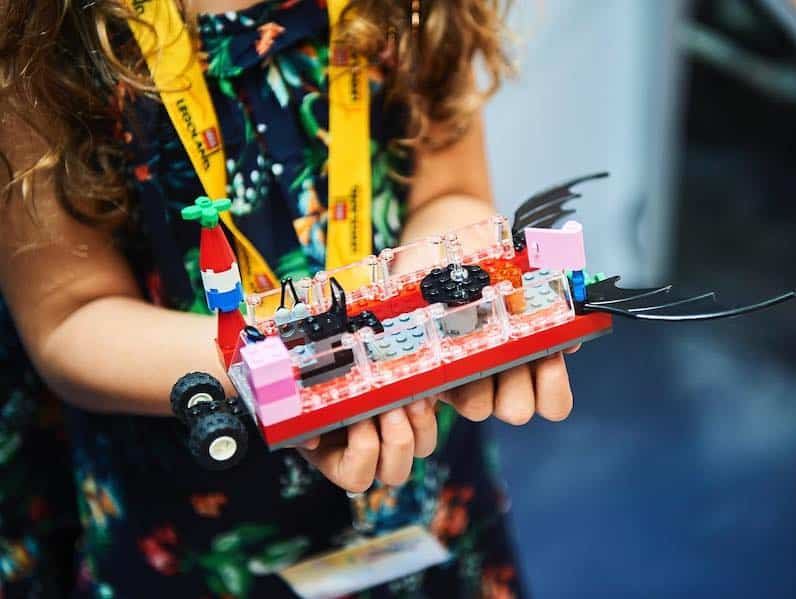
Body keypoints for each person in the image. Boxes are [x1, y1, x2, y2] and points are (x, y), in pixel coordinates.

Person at [0, 0, 577, 596]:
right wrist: (307, 364)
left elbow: (450, 191)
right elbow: (72, 315)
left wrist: (444, 293)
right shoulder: (37, 31)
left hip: (421, 481)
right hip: (191, 521)